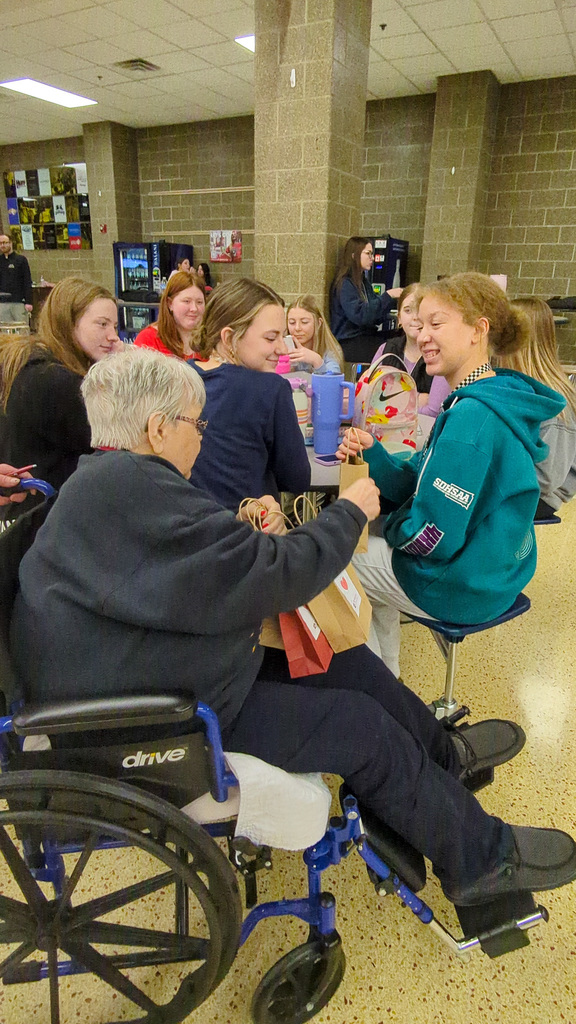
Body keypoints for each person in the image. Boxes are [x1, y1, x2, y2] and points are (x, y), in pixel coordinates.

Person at [10, 345, 576, 908]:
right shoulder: (134, 491)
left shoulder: (108, 480)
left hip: (164, 662)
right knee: (362, 729)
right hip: (160, 716)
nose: (200, 438)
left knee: (346, 661)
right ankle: (481, 860)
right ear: (159, 428)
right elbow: (277, 575)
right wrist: (350, 511)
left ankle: (443, 759)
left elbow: (191, 564)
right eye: (195, 425)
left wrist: (242, 528)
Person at [339, 272, 566, 677]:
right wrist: (374, 454)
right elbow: (421, 478)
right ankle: (389, 677)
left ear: (479, 330)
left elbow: (434, 538)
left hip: (463, 584)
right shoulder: (487, 395)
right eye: (420, 323)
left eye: (437, 323)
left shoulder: (471, 418)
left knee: (338, 560)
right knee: (367, 547)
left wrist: (387, 526)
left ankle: (374, 688)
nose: (422, 334)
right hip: (496, 570)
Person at [0, 276, 122, 517]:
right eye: (102, 324)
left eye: (115, 326)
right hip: (43, 514)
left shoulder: (30, 364)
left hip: (26, 512)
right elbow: (115, 440)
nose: (113, 336)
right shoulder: (56, 380)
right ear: (69, 323)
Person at [188, 278, 311, 510]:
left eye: (283, 337)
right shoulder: (270, 388)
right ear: (229, 338)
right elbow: (297, 479)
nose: (283, 349)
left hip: (189, 525)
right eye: (271, 338)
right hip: (250, 526)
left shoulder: (179, 378)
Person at [498, 298, 576, 520]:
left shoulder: (554, 399)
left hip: (537, 498)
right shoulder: (512, 385)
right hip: (514, 487)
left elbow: (546, 478)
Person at [372, 283, 451, 418]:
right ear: (399, 318)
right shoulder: (385, 349)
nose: (415, 317)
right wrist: (417, 398)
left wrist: (389, 402)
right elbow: (370, 400)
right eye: (408, 310)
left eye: (420, 310)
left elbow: (433, 412)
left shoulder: (440, 354)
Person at [329, 237, 402, 364]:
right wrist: (388, 295)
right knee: (393, 349)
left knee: (401, 338)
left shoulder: (363, 282)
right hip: (349, 341)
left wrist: (396, 317)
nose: (372, 258)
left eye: (372, 254)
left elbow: (374, 314)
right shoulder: (345, 284)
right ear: (354, 255)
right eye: (368, 253)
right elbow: (361, 315)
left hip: (365, 336)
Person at [134, 270, 206, 359]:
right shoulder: (148, 340)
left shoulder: (210, 341)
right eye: (187, 301)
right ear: (170, 303)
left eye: (199, 302)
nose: (194, 308)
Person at [286, 294, 344, 374]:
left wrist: (317, 362)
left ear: (319, 323)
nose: (297, 328)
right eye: (292, 322)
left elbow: (334, 379)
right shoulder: (283, 348)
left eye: (304, 322)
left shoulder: (330, 350)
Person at [0, 234, 33, 323]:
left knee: (22, 328)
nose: (2, 245)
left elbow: (27, 281)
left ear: (10, 243)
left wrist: (28, 301)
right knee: (5, 329)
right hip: (3, 304)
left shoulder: (21, 260)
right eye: (0, 243)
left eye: (4, 243)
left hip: (18, 303)